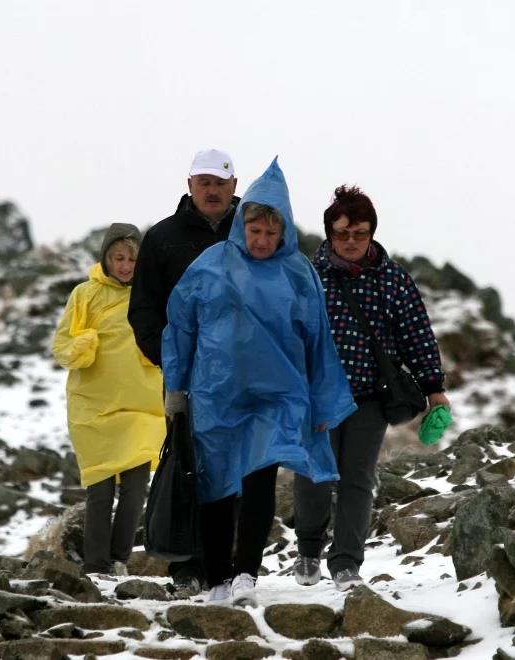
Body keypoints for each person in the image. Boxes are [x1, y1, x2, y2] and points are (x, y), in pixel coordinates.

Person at [161, 158, 356, 607]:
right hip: (216, 394)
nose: (262, 240)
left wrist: (324, 406)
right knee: (214, 486)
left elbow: (318, 341)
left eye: (271, 232)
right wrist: (176, 390)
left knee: (258, 482)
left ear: (284, 230)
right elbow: (181, 328)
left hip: (277, 395)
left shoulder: (299, 273)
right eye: (255, 231)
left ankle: (246, 571)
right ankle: (216, 580)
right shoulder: (210, 266)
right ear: (242, 226)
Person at [293, 185, 450, 591]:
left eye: (359, 233)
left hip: (369, 398)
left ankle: (346, 562)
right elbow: (287, 332)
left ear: (371, 233)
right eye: (342, 233)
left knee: (357, 479)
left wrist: (435, 389)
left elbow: (417, 335)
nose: (350, 241)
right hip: (317, 396)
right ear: (329, 233)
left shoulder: (392, 279)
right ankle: (309, 549)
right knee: (314, 475)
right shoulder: (307, 275)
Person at [126, 148, 239, 594]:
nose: (212, 190)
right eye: (204, 182)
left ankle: (230, 563)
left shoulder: (252, 231)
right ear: (190, 185)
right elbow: (144, 308)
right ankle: (186, 565)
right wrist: (167, 355)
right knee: (188, 464)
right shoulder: (163, 237)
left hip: (242, 373)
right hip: (186, 374)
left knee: (239, 464)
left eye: (220, 183)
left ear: (234, 186)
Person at [52, 223, 165, 575]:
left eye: (133, 258)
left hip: (141, 407)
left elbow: (167, 338)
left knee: (135, 489)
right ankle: (95, 564)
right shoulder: (85, 295)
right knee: (100, 492)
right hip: (94, 407)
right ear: (106, 257)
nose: (126, 265)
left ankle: (119, 558)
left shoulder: (151, 294)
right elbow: (62, 347)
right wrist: (81, 346)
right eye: (119, 257)